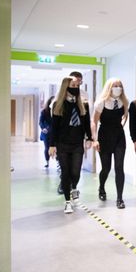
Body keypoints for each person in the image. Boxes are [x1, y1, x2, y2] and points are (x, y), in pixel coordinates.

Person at [48, 76, 93, 214]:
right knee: (66, 173)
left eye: (76, 85)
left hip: (77, 144)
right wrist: (52, 145)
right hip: (62, 143)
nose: (75, 88)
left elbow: (86, 123)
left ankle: (74, 187)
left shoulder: (83, 104)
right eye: (72, 85)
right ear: (65, 87)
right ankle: (68, 202)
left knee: (76, 171)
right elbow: (54, 127)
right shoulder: (58, 104)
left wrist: (89, 138)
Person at [91, 78, 129, 209]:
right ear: (109, 87)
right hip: (104, 136)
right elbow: (94, 122)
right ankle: (101, 188)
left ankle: (120, 198)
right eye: (115, 86)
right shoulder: (101, 103)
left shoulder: (124, 102)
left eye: (120, 85)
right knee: (106, 168)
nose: (118, 88)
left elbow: (124, 118)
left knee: (119, 167)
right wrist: (95, 140)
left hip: (119, 136)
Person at [39, 96, 54, 168]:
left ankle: (59, 163)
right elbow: (41, 122)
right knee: (47, 148)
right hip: (46, 133)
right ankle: (47, 162)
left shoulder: (57, 111)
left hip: (55, 132)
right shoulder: (44, 111)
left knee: (58, 148)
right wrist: (43, 128)